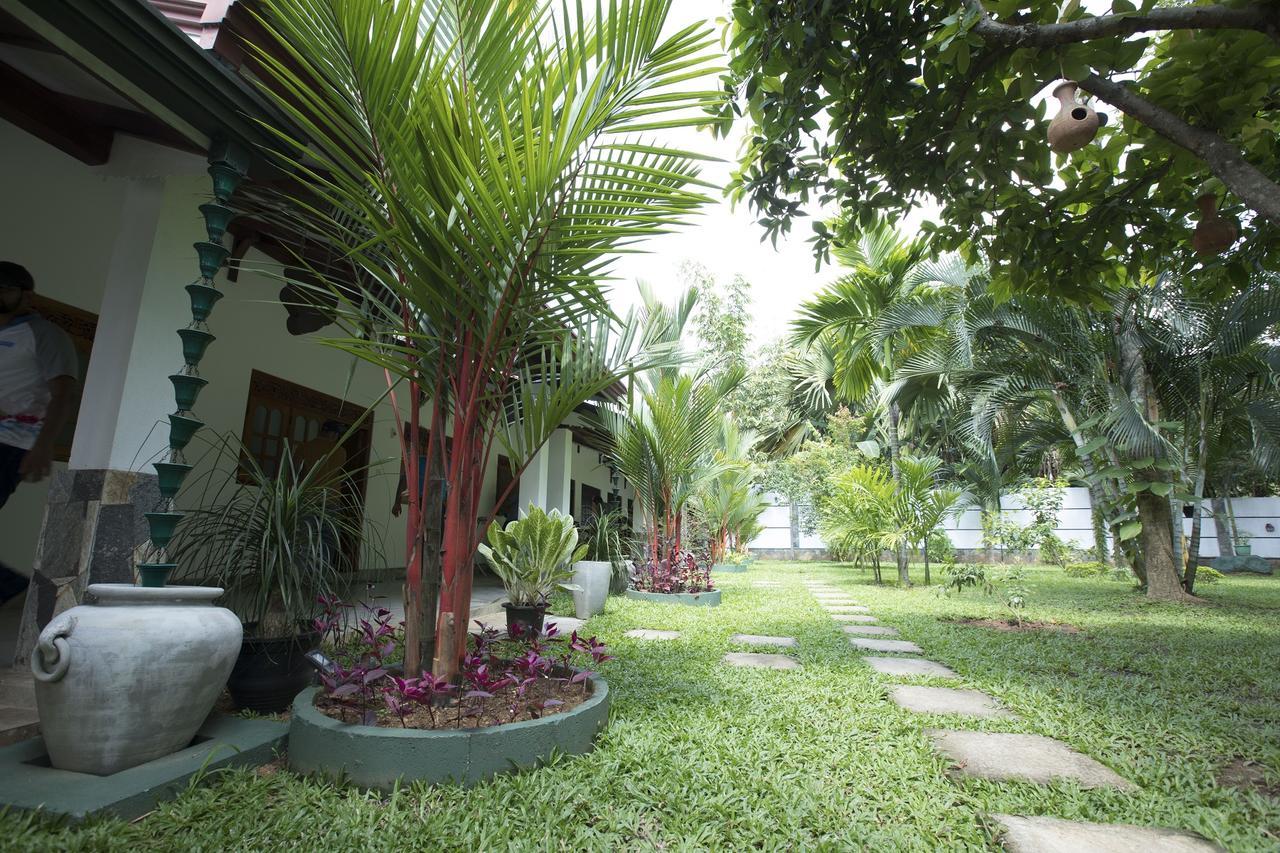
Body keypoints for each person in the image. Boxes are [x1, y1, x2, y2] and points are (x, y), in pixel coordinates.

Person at [0, 262, 78, 604]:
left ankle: (10, 587)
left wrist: (44, 446)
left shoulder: (44, 335)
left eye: (3, 288)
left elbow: (63, 393)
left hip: (13, 442)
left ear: (25, 294)